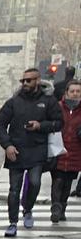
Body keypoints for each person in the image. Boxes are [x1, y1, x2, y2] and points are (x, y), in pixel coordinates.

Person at [0, 67, 63, 237]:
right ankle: (12, 222)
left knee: (34, 183)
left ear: (38, 81)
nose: (25, 83)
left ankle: (28, 208)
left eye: (29, 80)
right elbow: (0, 124)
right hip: (16, 150)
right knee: (14, 190)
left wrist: (41, 126)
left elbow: (59, 123)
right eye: (23, 81)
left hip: (37, 149)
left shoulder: (48, 101)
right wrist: (7, 145)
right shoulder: (14, 102)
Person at [51, 80, 81, 222]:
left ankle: (62, 207)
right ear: (66, 93)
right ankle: (55, 207)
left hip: (76, 152)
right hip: (58, 150)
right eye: (72, 91)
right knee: (57, 180)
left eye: (78, 91)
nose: (75, 94)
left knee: (68, 183)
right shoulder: (57, 107)